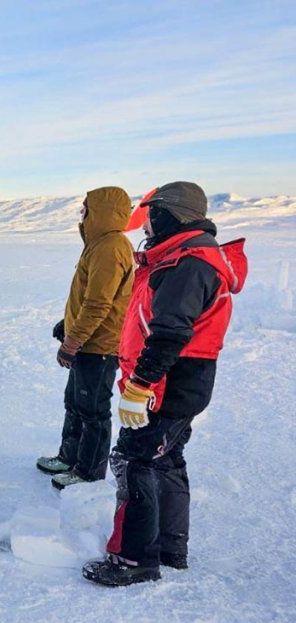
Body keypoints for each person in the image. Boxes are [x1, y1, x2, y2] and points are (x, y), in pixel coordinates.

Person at [84, 181, 247, 586]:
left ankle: (134, 559)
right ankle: (171, 548)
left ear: (169, 214)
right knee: (166, 459)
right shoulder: (182, 257)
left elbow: (170, 334)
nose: (147, 224)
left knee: (134, 459)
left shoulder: (188, 264)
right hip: (183, 380)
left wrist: (140, 387)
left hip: (169, 381)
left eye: (152, 214)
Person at [36, 187, 134, 490]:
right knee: (74, 403)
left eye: (86, 209)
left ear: (102, 212)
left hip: (99, 346)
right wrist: (68, 323)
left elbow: (99, 305)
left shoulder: (111, 247)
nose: (83, 215)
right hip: (88, 341)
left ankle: (88, 472)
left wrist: (71, 343)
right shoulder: (100, 244)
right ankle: (70, 458)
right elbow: (88, 296)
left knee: (92, 410)